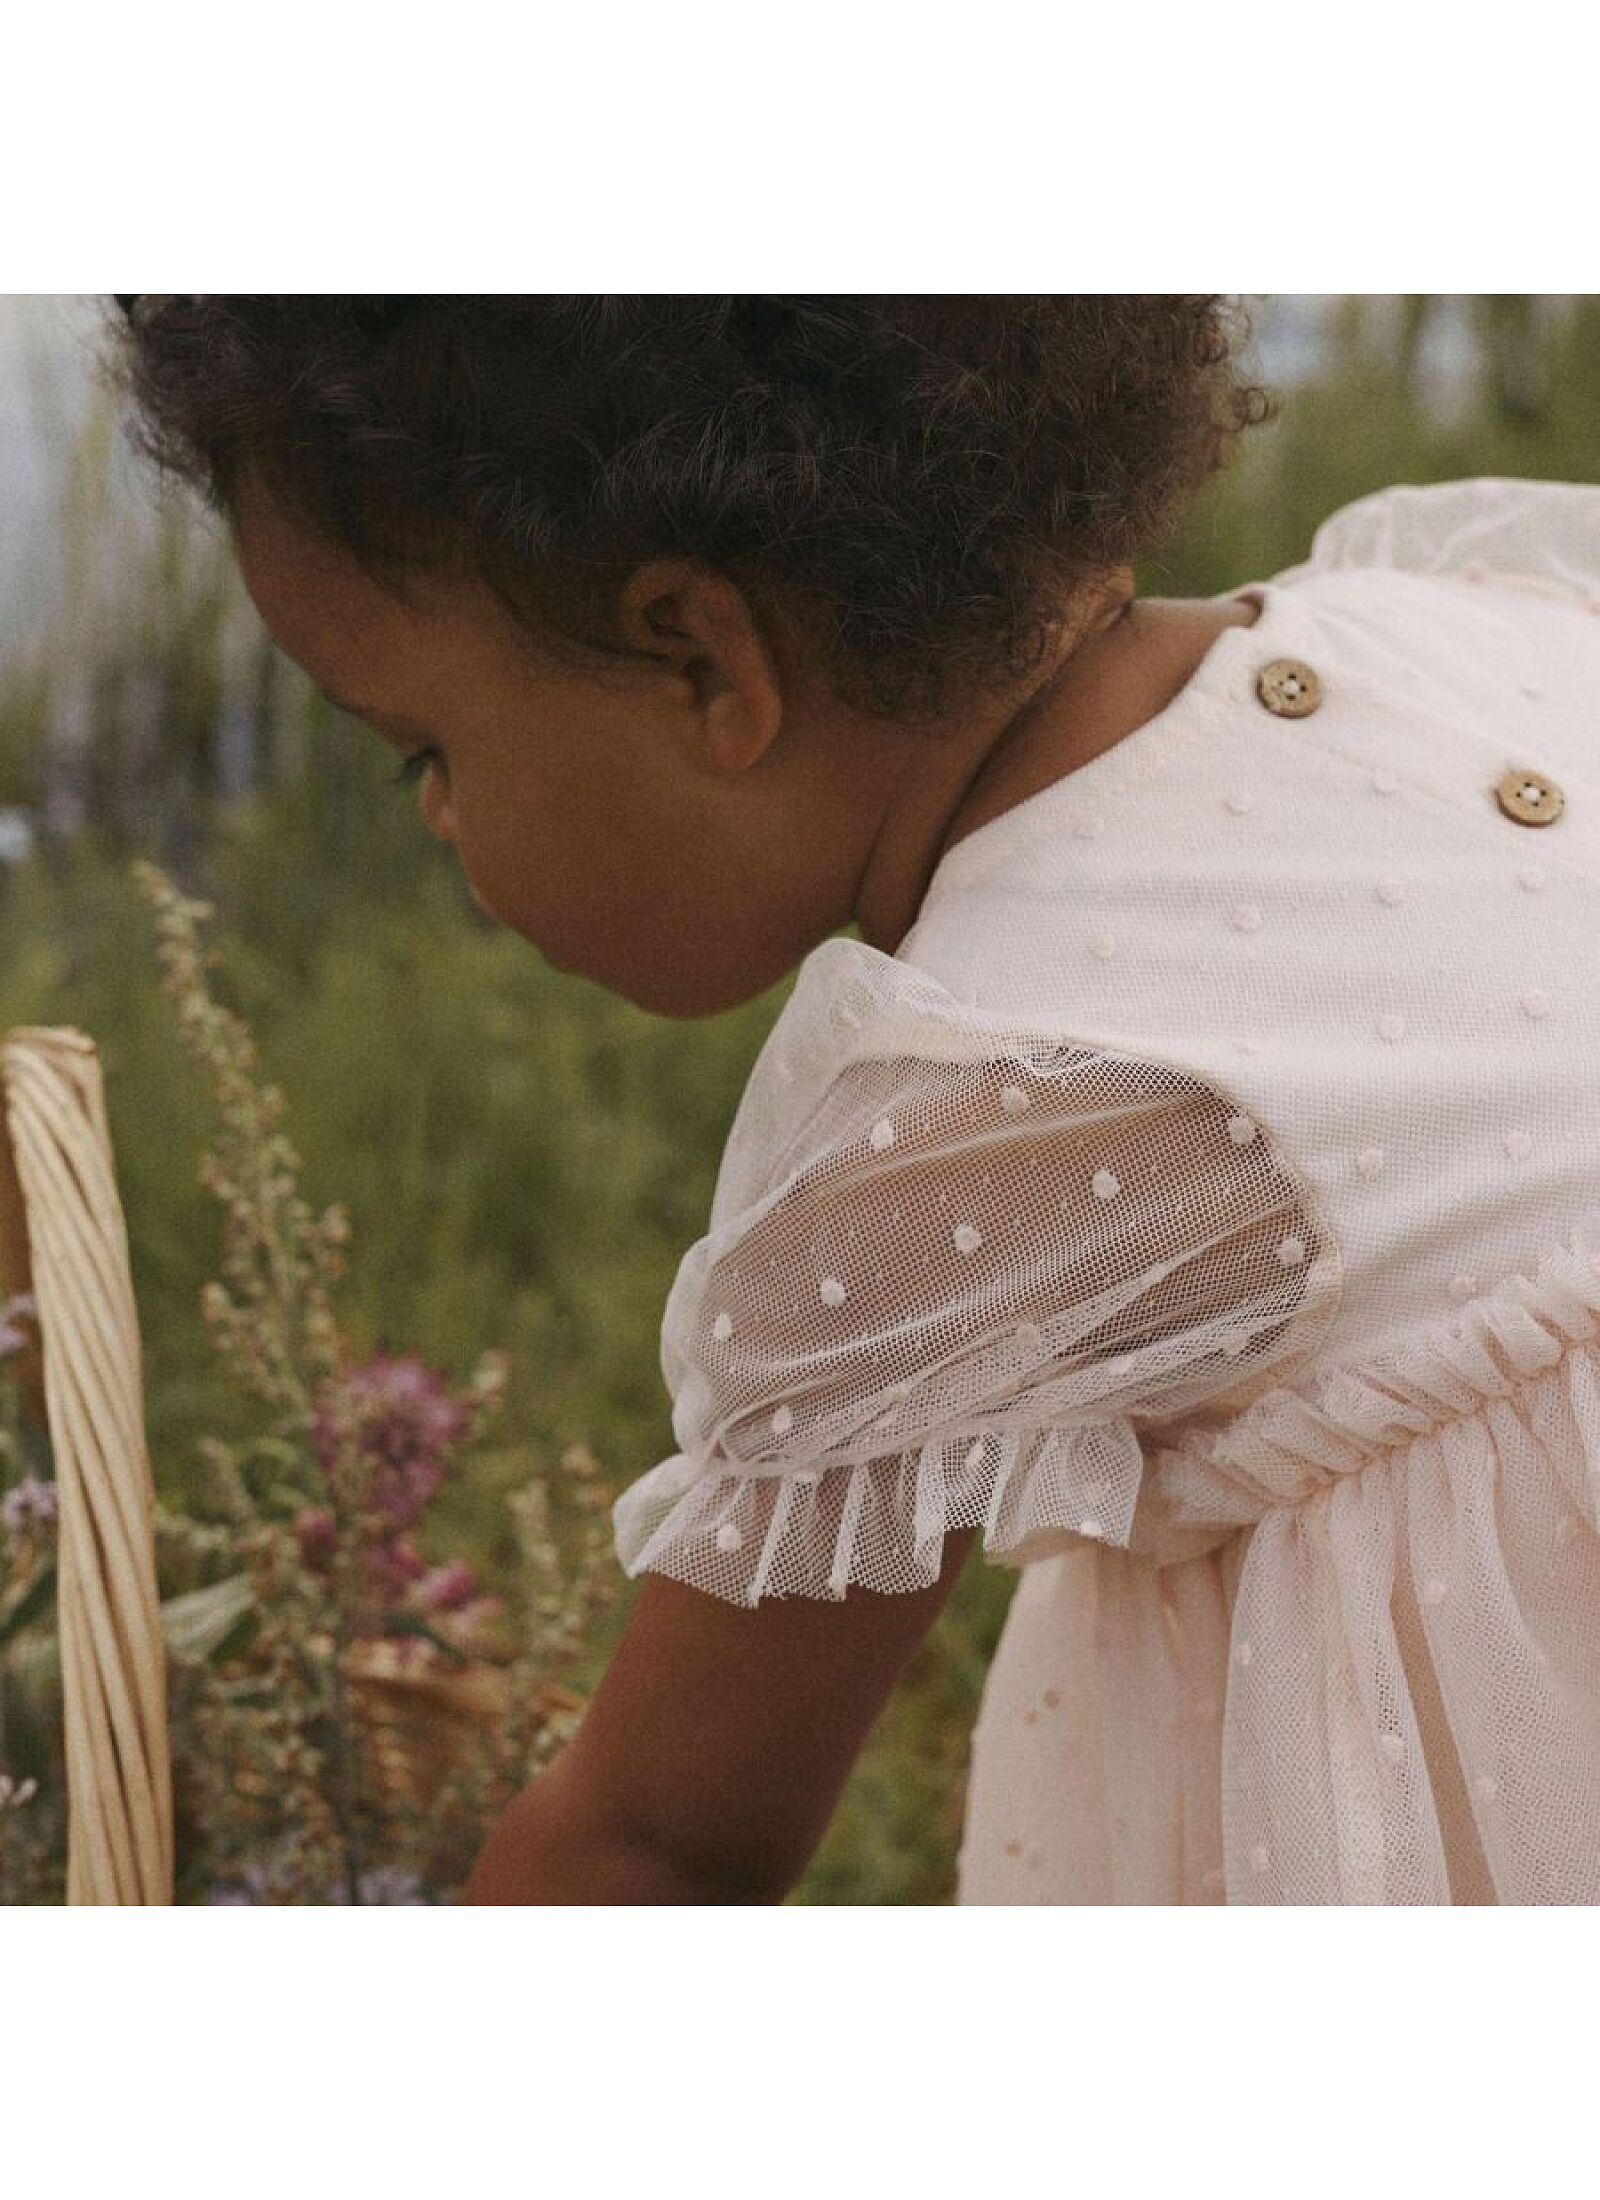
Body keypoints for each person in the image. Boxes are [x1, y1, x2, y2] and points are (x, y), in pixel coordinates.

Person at [108, 297, 1600, 1903]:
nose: (439, 822)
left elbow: (663, 1839)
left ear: (702, 661)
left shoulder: (1014, 1104)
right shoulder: (1460, 614)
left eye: (425, 749)